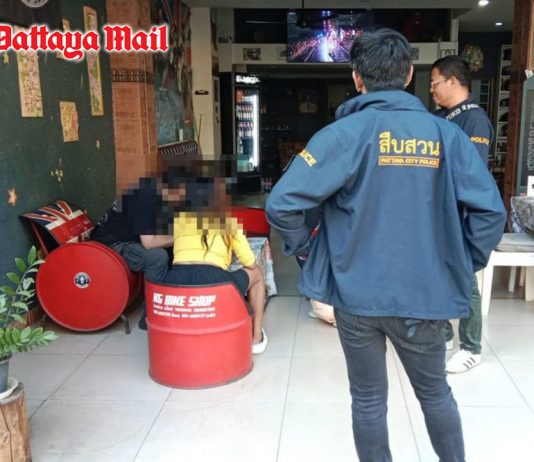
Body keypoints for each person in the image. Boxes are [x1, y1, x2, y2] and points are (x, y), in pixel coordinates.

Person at [266, 28, 506, 462]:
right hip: (424, 294)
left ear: (356, 78)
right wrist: (459, 261)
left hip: (356, 295)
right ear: (410, 74)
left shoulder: (340, 136)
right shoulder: (447, 136)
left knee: (368, 400)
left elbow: (282, 203)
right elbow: (491, 212)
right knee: (435, 393)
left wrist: (308, 252)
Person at [431, 55, 495, 373]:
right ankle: (442, 334)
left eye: (435, 83)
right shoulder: (441, 117)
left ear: (453, 81)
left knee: (464, 277)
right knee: (435, 272)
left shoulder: (474, 120)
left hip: (459, 213)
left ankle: (471, 347)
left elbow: (472, 174)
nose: (431, 89)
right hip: (437, 211)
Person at [164, 173, 268, 354]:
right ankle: (256, 338)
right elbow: (250, 262)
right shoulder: (227, 222)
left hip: (176, 281)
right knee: (257, 273)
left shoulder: (179, 220)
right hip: (215, 283)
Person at [92, 172, 184, 330]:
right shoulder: (145, 199)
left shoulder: (158, 190)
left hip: (131, 239)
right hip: (112, 246)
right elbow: (149, 243)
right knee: (157, 257)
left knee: (174, 247)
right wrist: (185, 236)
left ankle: (171, 304)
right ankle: (150, 317)